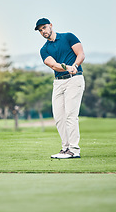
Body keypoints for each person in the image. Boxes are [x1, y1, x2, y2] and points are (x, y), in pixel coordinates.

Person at [35, 18, 85, 159]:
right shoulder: (44, 49)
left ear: (51, 25)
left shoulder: (68, 37)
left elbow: (81, 54)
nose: (43, 32)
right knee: (59, 117)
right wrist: (66, 67)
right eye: (40, 30)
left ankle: (74, 150)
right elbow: (53, 65)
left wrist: (74, 65)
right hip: (58, 82)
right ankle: (65, 148)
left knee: (70, 115)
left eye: (44, 28)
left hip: (74, 80)